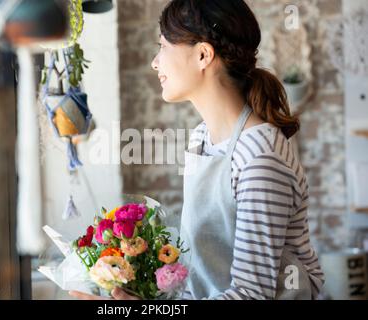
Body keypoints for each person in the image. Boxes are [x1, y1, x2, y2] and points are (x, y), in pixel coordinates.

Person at [70, 0, 325, 300]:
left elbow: (252, 295)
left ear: (203, 54)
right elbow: (204, 280)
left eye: (163, 46)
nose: (155, 62)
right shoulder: (202, 138)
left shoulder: (260, 158)